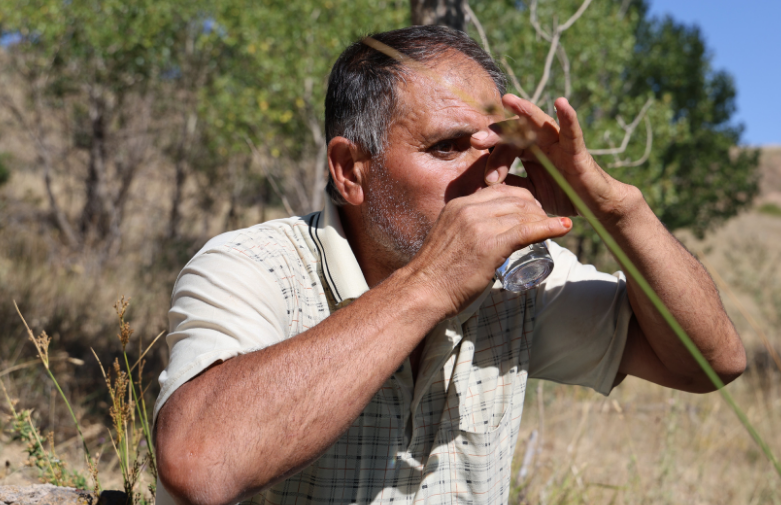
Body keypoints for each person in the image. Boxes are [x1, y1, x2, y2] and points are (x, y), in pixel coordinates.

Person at [153, 25, 745, 505]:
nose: (487, 177)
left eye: (499, 150)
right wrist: (431, 285)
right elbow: (200, 466)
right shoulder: (254, 266)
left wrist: (617, 208)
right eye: (446, 147)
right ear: (350, 170)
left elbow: (709, 362)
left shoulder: (517, 282)